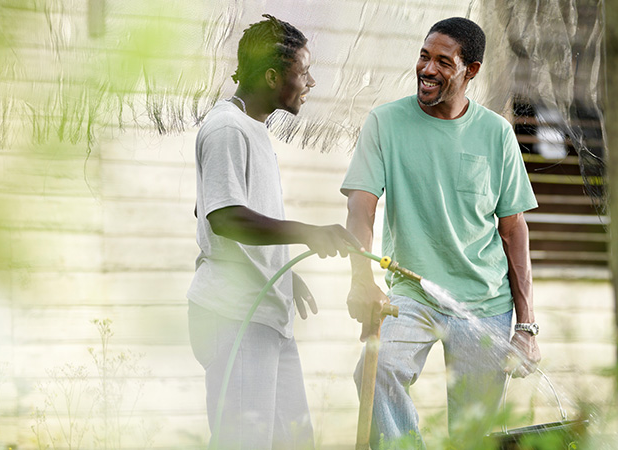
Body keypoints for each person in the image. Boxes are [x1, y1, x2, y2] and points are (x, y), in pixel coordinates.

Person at [341, 17, 542, 449]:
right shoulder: (385, 123)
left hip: (485, 302)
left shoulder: (497, 135)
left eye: (443, 62)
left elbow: (513, 230)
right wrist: (361, 278)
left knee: (474, 436)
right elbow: (360, 208)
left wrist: (525, 324)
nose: (427, 69)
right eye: (423, 56)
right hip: (411, 294)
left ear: (470, 71)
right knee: (375, 373)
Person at [187, 14, 360, 450]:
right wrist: (308, 233)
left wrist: (281, 269)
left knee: (293, 439)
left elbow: (219, 212)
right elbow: (223, 217)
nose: (311, 82)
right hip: (234, 315)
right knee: (242, 442)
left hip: (265, 312)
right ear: (271, 75)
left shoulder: (253, 129)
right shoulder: (227, 128)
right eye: (303, 72)